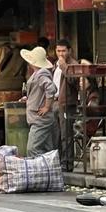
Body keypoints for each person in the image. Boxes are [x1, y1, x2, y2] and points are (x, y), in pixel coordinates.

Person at [20, 46, 58, 158]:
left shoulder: (41, 74)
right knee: (47, 150)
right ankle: (49, 171)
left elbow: (51, 88)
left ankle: (41, 169)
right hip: (39, 118)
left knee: (33, 149)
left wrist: (47, 106)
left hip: (40, 118)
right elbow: (41, 91)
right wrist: (30, 98)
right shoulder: (38, 73)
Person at [52, 39, 79, 171]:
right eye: (58, 51)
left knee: (66, 135)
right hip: (55, 102)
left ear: (69, 51)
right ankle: (58, 162)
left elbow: (74, 81)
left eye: (63, 51)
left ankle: (67, 164)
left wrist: (64, 66)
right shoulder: (55, 65)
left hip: (67, 103)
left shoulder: (73, 64)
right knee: (56, 135)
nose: (61, 53)